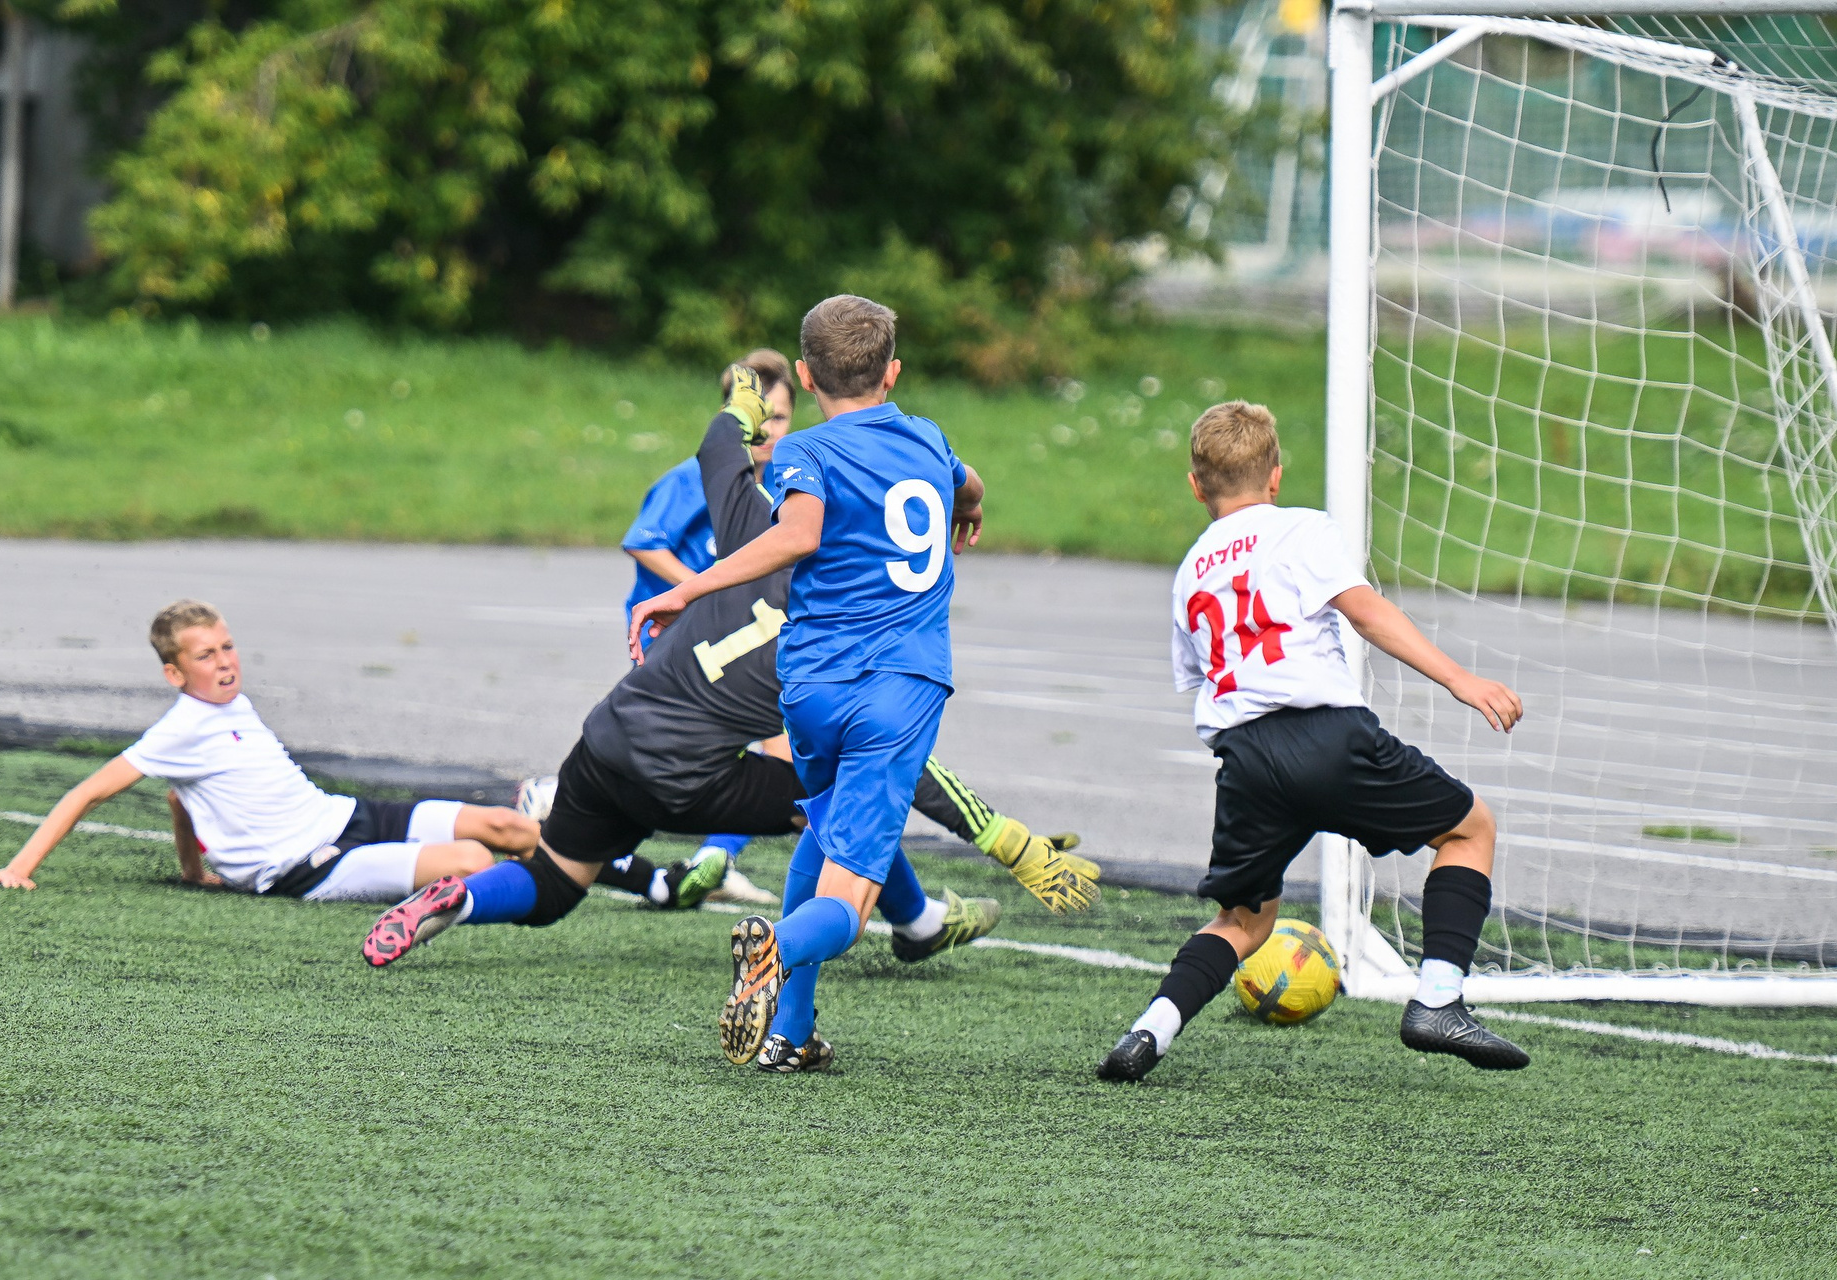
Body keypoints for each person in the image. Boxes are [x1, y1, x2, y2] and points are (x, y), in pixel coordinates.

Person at [364, 363, 1099, 1066]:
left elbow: (720, 452)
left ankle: (463, 898)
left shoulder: (749, 528)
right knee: (835, 805)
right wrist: (1002, 837)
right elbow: (899, 761)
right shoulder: (825, 636)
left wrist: (738, 416)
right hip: (686, 777)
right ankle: (904, 930)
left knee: (554, 883)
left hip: (609, 736)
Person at [1095, 401, 1531, 1083]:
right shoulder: (1300, 529)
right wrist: (1459, 679)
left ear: (1195, 485)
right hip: (1327, 736)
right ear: (1275, 476)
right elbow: (1366, 611)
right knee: (1470, 829)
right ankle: (1438, 1001)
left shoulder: (1190, 571)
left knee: (1243, 922)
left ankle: (1147, 1031)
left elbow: (1204, 675)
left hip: (1245, 758)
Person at [629, 294, 987, 1071]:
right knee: (849, 906)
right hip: (896, 689)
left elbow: (797, 528)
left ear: (806, 375)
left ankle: (790, 1033)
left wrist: (687, 588)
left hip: (811, 690)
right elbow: (957, 486)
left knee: (822, 834)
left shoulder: (807, 451)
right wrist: (970, 507)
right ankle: (778, 948)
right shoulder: (928, 438)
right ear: (893, 372)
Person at [0, 600, 536, 902]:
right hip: (308, 866)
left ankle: (586, 881)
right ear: (175, 674)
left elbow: (181, 799)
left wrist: (191, 870)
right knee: (473, 860)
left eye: (227, 647)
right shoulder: (179, 730)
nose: (225, 661)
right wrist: (19, 867)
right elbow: (87, 794)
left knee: (507, 827)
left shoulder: (235, 704)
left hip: (344, 816)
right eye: (206, 655)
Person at [611, 350, 798, 903]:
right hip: (672, 640)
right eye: (761, 416)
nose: (769, 430)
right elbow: (643, 541)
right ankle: (559, 807)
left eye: (781, 418)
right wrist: (703, 588)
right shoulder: (695, 478)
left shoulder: (780, 483)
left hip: (731, 642)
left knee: (781, 749)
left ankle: (714, 857)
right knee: (683, 761)